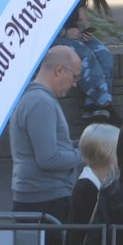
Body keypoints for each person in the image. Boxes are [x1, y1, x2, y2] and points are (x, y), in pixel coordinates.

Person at [12, 46, 84, 230]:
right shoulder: (41, 102)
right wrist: (85, 154)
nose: (75, 84)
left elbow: (55, 147)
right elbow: (48, 158)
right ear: (59, 70)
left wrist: (81, 144)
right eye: (75, 77)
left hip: (39, 198)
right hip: (46, 200)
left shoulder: (35, 98)